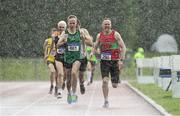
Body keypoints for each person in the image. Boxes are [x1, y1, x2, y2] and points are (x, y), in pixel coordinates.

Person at [57, 15, 92, 104]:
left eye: (74, 23)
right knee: (68, 79)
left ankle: (74, 93)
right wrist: (63, 41)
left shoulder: (80, 32)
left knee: (74, 73)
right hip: (68, 58)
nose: (72, 24)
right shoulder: (65, 33)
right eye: (70, 23)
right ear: (68, 24)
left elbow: (91, 43)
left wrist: (83, 39)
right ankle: (69, 92)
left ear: (76, 24)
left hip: (78, 57)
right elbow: (57, 44)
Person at [92, 18, 126, 108]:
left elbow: (123, 47)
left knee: (114, 85)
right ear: (102, 26)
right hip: (104, 62)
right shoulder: (99, 36)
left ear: (111, 25)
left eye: (108, 24)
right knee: (105, 81)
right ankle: (106, 101)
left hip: (115, 61)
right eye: (105, 24)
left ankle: (117, 77)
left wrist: (121, 60)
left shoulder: (116, 34)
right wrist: (94, 53)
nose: (107, 26)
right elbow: (95, 47)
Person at [43, 28, 58, 95]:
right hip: (50, 59)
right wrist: (45, 55)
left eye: (55, 33)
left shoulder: (59, 40)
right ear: (51, 33)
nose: (54, 34)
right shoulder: (47, 40)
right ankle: (52, 85)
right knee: (52, 71)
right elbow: (45, 48)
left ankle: (56, 87)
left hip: (57, 59)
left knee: (57, 74)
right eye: (53, 33)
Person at [54, 20, 67, 98]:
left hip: (66, 57)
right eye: (60, 27)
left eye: (63, 27)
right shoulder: (54, 36)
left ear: (65, 27)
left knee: (65, 75)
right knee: (60, 73)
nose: (61, 28)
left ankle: (62, 82)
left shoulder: (67, 35)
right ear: (58, 27)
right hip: (58, 57)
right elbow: (54, 46)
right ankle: (59, 91)